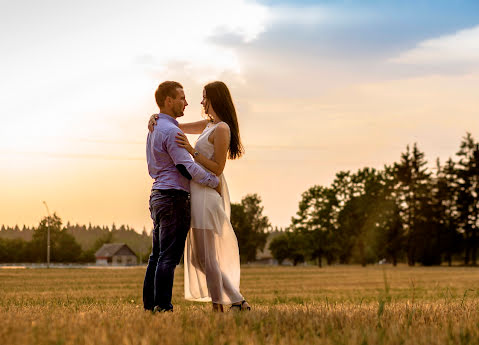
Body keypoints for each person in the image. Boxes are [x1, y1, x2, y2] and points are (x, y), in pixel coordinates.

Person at [148, 81, 251, 312]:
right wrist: (156, 118)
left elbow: (217, 168)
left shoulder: (222, 128)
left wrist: (192, 152)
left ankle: (221, 308)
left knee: (206, 258)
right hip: (196, 194)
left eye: (205, 97)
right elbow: (178, 126)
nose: (201, 101)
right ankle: (236, 300)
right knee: (197, 259)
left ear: (215, 98)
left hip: (207, 195)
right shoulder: (209, 125)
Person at [143, 81, 220, 313]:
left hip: (157, 194)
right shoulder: (171, 131)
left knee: (156, 256)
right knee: (168, 257)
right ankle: (163, 307)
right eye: (182, 98)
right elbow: (186, 167)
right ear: (168, 101)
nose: (186, 102)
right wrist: (213, 181)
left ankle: (151, 306)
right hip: (174, 197)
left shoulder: (156, 128)